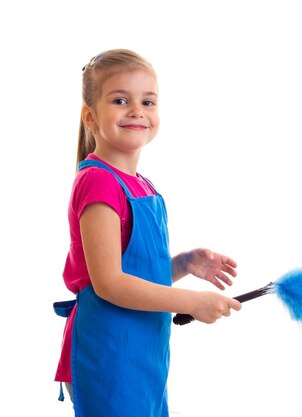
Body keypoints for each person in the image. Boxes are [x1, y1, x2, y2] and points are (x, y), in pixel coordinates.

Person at [53, 49, 242, 417]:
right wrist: (191, 302)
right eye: (120, 100)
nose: (137, 110)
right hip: (108, 354)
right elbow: (108, 282)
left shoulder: (143, 186)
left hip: (143, 352)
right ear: (90, 117)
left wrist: (184, 264)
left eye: (148, 101)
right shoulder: (97, 182)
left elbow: (133, 273)